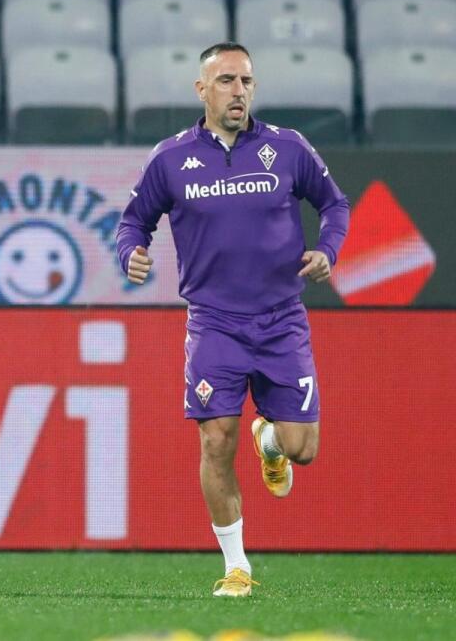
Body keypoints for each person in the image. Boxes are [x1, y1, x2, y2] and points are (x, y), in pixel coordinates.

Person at [115, 42, 349, 597]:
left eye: (246, 81)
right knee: (216, 441)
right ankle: (237, 566)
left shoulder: (287, 149)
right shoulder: (170, 158)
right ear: (202, 90)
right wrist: (131, 255)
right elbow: (132, 224)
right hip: (213, 322)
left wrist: (329, 250)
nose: (238, 91)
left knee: (303, 450)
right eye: (226, 81)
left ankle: (269, 441)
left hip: (281, 319)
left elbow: (335, 204)